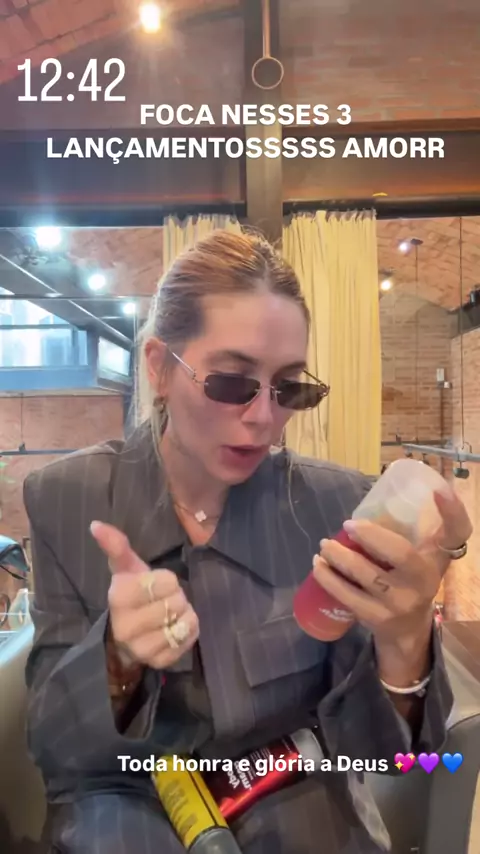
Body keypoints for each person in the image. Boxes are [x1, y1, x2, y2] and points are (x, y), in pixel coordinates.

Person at [23, 230, 472, 854]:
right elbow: (54, 747)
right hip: (126, 801)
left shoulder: (334, 504)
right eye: (231, 382)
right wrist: (117, 659)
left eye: (290, 387)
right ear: (158, 367)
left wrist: (404, 641)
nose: (264, 417)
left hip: (294, 794)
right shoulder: (67, 498)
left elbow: (388, 759)